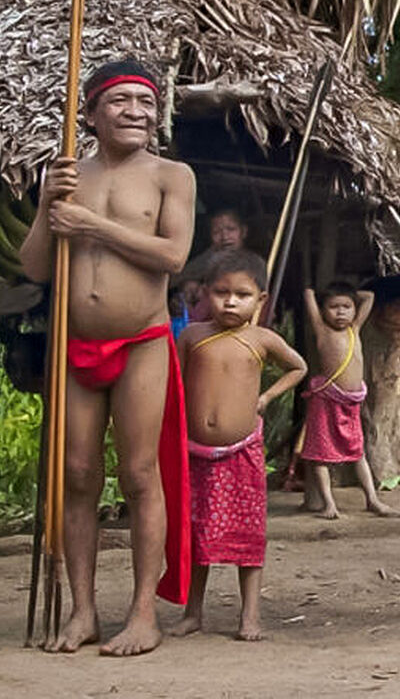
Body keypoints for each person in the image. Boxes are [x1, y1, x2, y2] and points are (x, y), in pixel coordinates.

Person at [19, 58, 196, 656]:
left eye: (146, 103)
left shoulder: (172, 176)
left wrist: (91, 225)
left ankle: (143, 613)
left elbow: (172, 256)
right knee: (76, 474)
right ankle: (83, 611)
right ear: (91, 112)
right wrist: (48, 208)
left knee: (140, 473)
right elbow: (35, 268)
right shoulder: (68, 175)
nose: (136, 113)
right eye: (120, 101)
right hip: (74, 343)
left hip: (141, 339)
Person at [172, 250, 307, 641]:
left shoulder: (261, 339)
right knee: (197, 533)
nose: (230, 302)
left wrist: (267, 397)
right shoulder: (192, 335)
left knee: (247, 536)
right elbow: (174, 383)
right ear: (206, 293)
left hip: (242, 453)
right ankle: (193, 612)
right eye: (221, 292)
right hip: (195, 453)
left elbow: (298, 366)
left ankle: (250, 615)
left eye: (242, 295)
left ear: (260, 300)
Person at [299, 283, 391, 519]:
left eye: (346, 306)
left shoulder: (354, 329)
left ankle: (372, 499)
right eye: (333, 307)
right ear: (323, 311)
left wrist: (350, 294)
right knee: (320, 455)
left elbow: (369, 296)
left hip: (351, 404)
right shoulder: (322, 330)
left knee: (358, 452)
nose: (340, 311)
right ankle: (329, 505)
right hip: (326, 402)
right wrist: (322, 295)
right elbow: (308, 294)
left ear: (354, 310)